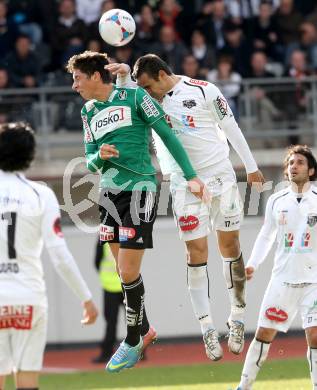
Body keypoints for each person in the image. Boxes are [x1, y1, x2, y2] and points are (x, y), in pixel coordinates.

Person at [110, 53, 264, 361]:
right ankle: (207, 328)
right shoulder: (146, 101)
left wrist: (251, 166)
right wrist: (123, 76)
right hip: (183, 185)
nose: (147, 93)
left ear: (162, 74)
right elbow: (123, 97)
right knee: (196, 253)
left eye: (148, 86)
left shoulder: (204, 89)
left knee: (231, 246)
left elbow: (230, 126)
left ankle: (237, 316)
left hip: (221, 177)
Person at [66, 51, 205, 373]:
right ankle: (145, 329)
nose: (74, 86)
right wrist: (99, 156)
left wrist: (190, 175)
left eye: (77, 78)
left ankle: (132, 339)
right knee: (121, 272)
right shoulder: (88, 111)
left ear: (96, 76)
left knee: (127, 272)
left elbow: (167, 135)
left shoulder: (135, 96)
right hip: (109, 193)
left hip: (140, 188)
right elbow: (89, 160)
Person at [0, 122, 98, 390]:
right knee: (27, 380)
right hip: (28, 297)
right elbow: (59, 255)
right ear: (30, 156)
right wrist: (86, 298)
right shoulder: (40, 194)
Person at [236, 145, 317, 390]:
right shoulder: (276, 200)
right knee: (263, 334)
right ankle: (244, 386)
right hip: (282, 280)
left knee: (314, 335)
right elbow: (266, 235)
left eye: (300, 162)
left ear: (311, 170)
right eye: (291, 163)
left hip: (314, 282)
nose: (294, 166)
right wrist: (252, 264)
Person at [92, 241, 124, 363]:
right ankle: (140, 351)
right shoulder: (128, 233)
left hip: (109, 286)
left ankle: (106, 352)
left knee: (111, 322)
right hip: (127, 283)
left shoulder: (103, 237)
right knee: (134, 320)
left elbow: (97, 261)